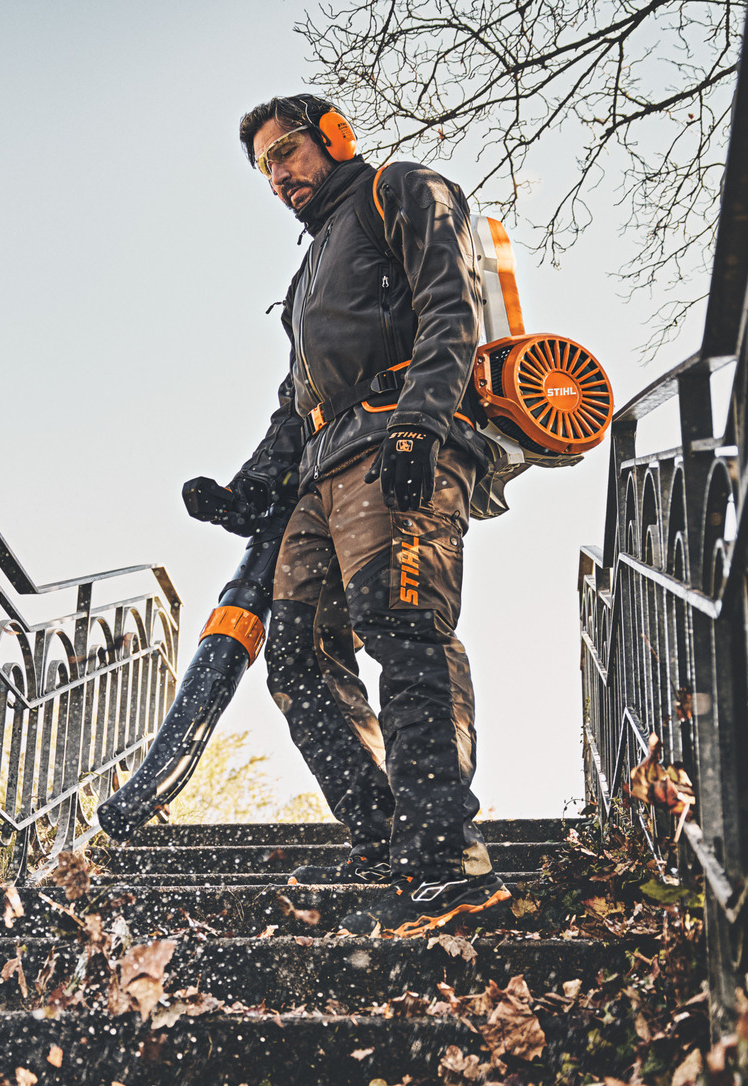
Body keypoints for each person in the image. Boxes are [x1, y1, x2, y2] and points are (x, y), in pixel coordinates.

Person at [182, 93, 507, 937]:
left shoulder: (397, 191)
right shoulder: (309, 268)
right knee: (292, 655)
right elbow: (297, 403)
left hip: (396, 437)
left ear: (333, 138)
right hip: (321, 470)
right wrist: (250, 487)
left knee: (400, 625)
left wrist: (425, 422)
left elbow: (452, 303)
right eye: (264, 165)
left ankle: (446, 858)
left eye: (288, 150)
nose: (278, 173)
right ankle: (383, 829)